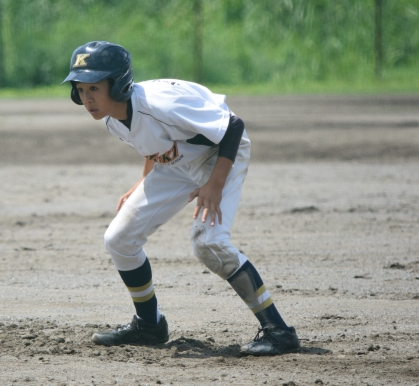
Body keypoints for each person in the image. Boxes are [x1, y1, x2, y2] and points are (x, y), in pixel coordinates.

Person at [62, 41, 300, 356]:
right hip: (177, 163)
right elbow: (151, 143)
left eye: (94, 87)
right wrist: (142, 181)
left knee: (209, 243)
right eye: (80, 89)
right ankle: (149, 325)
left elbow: (233, 126)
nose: (87, 98)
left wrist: (214, 184)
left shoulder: (159, 106)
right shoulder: (112, 118)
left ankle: (279, 332)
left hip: (219, 154)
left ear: (118, 85)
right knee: (118, 239)